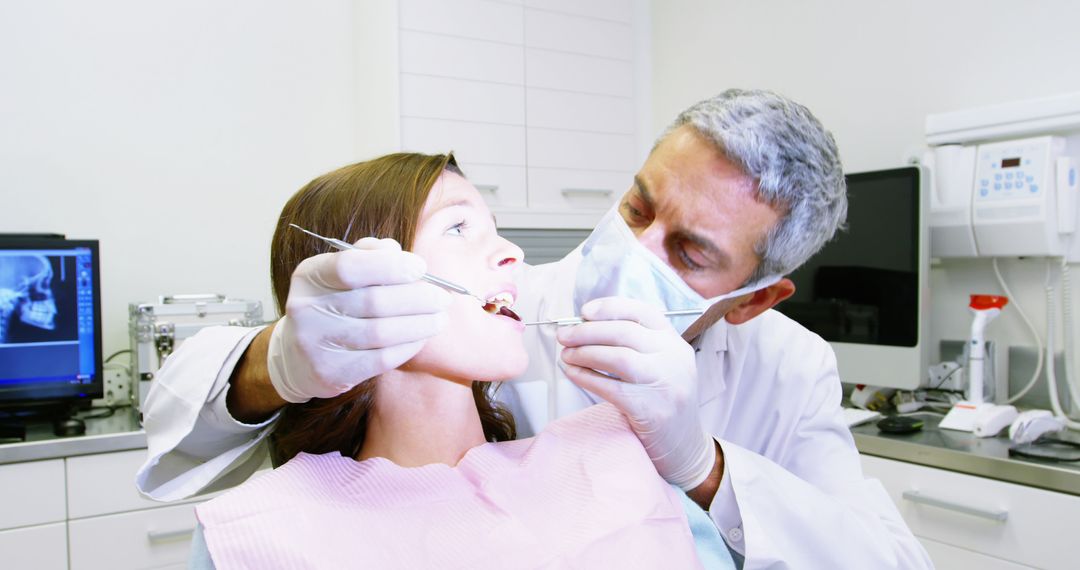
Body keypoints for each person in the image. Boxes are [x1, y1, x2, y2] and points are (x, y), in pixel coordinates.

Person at [138, 90, 932, 568]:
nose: (633, 248)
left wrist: (703, 467)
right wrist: (275, 360)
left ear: (754, 299)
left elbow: (884, 558)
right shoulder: (513, 311)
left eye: (689, 251)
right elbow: (175, 415)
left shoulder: (790, 369)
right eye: (637, 207)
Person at [187, 152, 731, 568]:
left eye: (493, 227)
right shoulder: (258, 530)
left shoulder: (615, 457)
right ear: (358, 274)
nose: (514, 253)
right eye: (458, 227)